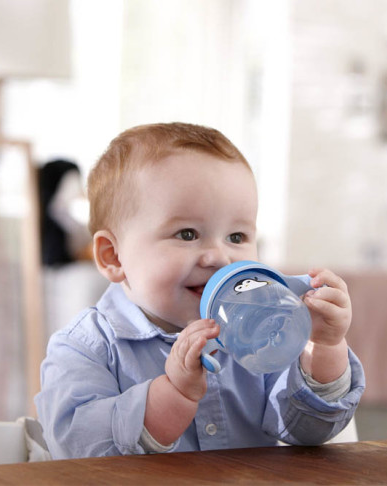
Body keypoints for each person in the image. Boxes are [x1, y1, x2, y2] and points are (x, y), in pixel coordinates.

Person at [34, 122, 365, 458]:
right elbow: (77, 452)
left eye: (237, 237)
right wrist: (172, 395)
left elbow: (308, 431)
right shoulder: (85, 348)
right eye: (188, 234)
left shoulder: (263, 332)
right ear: (113, 256)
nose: (220, 256)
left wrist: (323, 346)